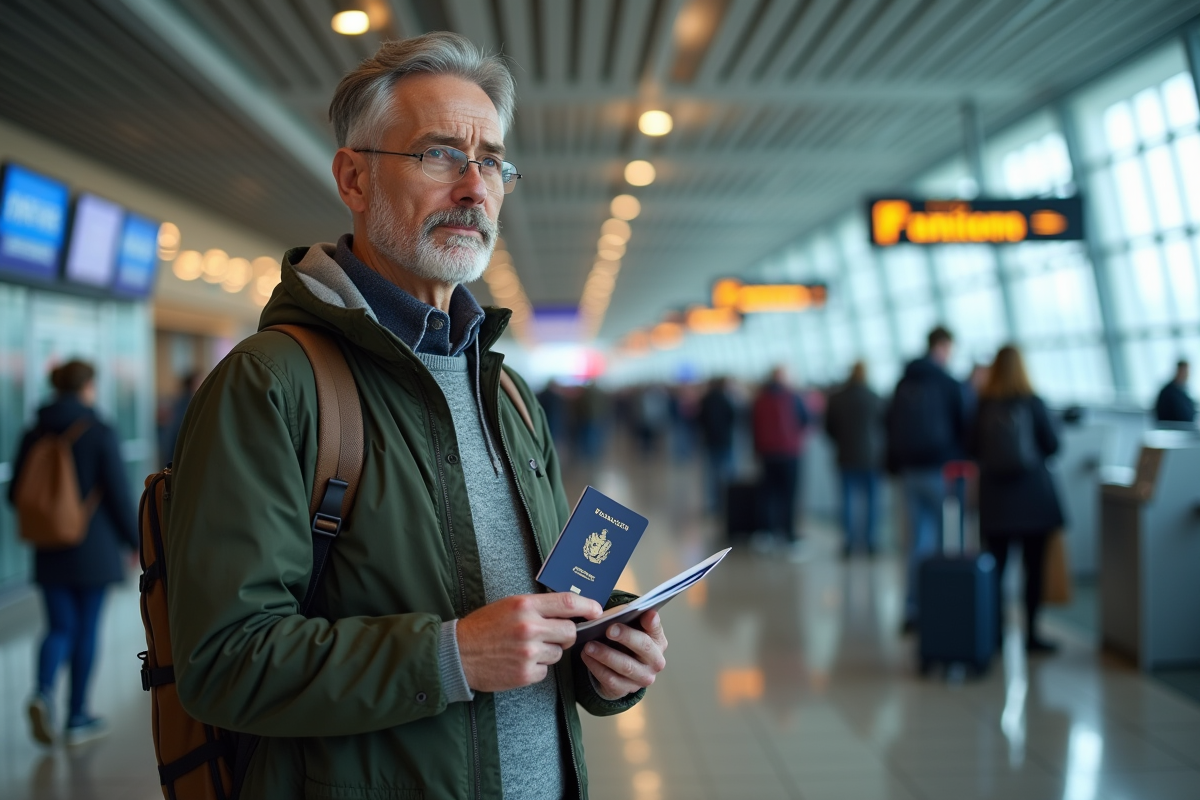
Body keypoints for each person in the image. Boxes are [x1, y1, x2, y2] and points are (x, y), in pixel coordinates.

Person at [166, 33, 667, 799]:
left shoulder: (506, 391)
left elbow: (534, 611)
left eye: (491, 162)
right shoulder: (272, 384)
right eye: (439, 155)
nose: (474, 188)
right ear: (354, 178)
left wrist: (603, 655)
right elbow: (223, 662)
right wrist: (451, 656)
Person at [8, 360, 138, 746]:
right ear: (87, 387)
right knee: (87, 628)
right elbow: (118, 493)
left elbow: (15, 493)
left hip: (49, 548)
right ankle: (77, 715)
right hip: (93, 547)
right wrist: (136, 542)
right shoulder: (99, 430)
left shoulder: (34, 430)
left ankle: (42, 691)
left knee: (59, 627)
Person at [970, 345, 1064, 654]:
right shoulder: (1034, 402)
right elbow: (1052, 445)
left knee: (995, 570)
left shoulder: (982, 405)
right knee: (1033, 570)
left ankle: (994, 634)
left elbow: (970, 447)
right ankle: (1031, 633)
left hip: (996, 500)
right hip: (1033, 497)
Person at [886, 326, 968, 632]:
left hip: (909, 471)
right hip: (940, 469)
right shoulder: (948, 382)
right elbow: (963, 423)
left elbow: (888, 422)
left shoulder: (904, 381)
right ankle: (945, 605)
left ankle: (913, 608)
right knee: (949, 540)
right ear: (943, 346)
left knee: (917, 542)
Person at [824, 362, 884, 558]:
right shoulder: (875, 397)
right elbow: (884, 425)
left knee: (848, 500)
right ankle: (870, 542)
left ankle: (849, 543)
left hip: (846, 455)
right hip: (871, 457)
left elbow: (829, 428)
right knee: (872, 501)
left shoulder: (837, 398)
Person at [752, 367, 810, 555]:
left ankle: (766, 533)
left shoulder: (760, 399)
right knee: (789, 495)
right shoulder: (793, 397)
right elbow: (805, 419)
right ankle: (788, 535)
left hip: (767, 452)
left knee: (767, 494)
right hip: (789, 452)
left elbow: (752, 424)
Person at [697, 377, 738, 513]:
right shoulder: (726, 399)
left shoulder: (705, 400)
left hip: (710, 441)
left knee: (712, 475)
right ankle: (728, 502)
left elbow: (700, 419)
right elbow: (733, 417)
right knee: (728, 473)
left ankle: (714, 504)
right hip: (725, 441)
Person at [1154, 360, 1195, 424]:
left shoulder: (1182, 392)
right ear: (1179, 371)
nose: (1187, 375)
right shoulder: (1168, 392)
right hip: (1173, 427)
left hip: (1183, 426)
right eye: (1185, 371)